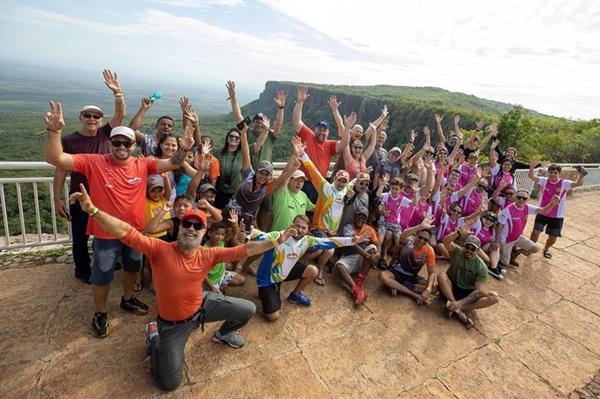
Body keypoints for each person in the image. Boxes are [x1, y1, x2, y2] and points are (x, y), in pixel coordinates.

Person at [69, 184, 284, 391]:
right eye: (187, 224)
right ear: (180, 227)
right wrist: (93, 210)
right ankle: (154, 336)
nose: (191, 229)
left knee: (248, 309)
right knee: (169, 383)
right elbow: (125, 231)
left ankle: (224, 334)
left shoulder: (209, 254)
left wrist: (276, 241)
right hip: (172, 324)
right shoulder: (159, 249)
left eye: (197, 226)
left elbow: (245, 249)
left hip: (202, 307)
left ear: (204, 232)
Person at [44, 101, 195, 338]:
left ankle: (127, 299)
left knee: (132, 267)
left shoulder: (142, 164)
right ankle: (101, 313)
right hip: (106, 233)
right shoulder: (94, 162)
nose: (121, 146)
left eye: (127, 142)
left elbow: (172, 163)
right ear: (110, 143)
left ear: (134, 145)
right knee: (102, 274)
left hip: (135, 233)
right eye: (117, 142)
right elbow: (57, 159)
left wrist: (184, 149)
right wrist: (54, 131)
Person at [53, 68, 125, 284]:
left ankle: (108, 262)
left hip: (105, 195)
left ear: (101, 120)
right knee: (80, 236)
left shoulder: (105, 134)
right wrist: (57, 197)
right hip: (79, 195)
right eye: (88, 115)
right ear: (81, 117)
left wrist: (118, 94)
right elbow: (60, 169)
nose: (92, 119)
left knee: (107, 231)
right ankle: (83, 270)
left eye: (96, 116)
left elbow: (120, 115)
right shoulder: (69, 140)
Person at [249, 215, 371, 321]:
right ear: (292, 225)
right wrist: (248, 230)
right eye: (297, 226)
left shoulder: (307, 240)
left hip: (285, 272)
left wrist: (353, 240)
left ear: (307, 230)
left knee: (313, 271)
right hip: (268, 279)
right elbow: (260, 235)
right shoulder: (279, 235)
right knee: (273, 317)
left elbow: (329, 241)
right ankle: (264, 292)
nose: (300, 230)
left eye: (303, 228)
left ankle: (295, 294)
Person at [299, 144, 356, 286]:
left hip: (333, 231)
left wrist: (361, 175)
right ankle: (318, 269)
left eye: (344, 181)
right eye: (339, 180)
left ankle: (303, 261)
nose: (342, 183)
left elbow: (353, 182)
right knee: (329, 250)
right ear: (334, 178)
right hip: (319, 227)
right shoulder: (325, 187)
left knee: (327, 249)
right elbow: (313, 171)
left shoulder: (345, 190)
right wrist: (302, 154)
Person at [292, 86, 351, 202]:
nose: (322, 132)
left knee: (313, 212)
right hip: (302, 182)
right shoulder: (308, 135)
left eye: (325, 130)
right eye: (319, 129)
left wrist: (347, 127)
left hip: (318, 184)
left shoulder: (329, 145)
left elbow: (344, 143)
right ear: (315, 129)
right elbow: (296, 121)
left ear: (328, 132)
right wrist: (300, 102)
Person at [437, 224, 500, 329]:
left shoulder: (481, 267)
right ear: (464, 246)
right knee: (441, 275)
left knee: (494, 297)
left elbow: (478, 289)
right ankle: (457, 308)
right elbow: (445, 242)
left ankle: (454, 306)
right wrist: (458, 233)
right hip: (450, 287)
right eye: (467, 247)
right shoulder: (458, 251)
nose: (469, 251)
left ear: (478, 251)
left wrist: (461, 302)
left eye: (473, 249)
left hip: (466, 295)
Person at [528, 161, 584, 259]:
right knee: (535, 232)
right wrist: (531, 167)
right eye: (551, 172)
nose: (553, 174)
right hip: (543, 212)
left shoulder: (564, 183)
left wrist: (581, 174)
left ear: (559, 174)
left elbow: (578, 183)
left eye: (555, 173)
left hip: (557, 216)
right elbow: (531, 177)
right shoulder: (544, 180)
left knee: (553, 238)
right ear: (548, 173)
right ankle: (530, 248)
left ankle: (546, 249)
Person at [226, 80, 286, 169]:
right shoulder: (247, 132)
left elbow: (278, 123)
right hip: (248, 174)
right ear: (253, 123)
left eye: (262, 122)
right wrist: (233, 97)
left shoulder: (270, 135)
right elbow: (238, 116)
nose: (259, 124)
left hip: (265, 174)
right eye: (257, 122)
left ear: (268, 122)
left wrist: (280, 108)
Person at [378, 218, 437, 304]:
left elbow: (432, 273)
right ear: (415, 235)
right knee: (382, 276)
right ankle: (412, 294)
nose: (422, 241)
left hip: (412, 276)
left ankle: (397, 285)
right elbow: (402, 236)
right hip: (397, 271)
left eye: (425, 240)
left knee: (434, 287)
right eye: (420, 237)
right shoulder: (409, 240)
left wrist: (428, 289)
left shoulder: (429, 250)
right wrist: (420, 226)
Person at [496, 189, 559, 267]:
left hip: (517, 238)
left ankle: (515, 253)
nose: (521, 199)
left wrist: (552, 204)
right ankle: (506, 255)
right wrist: (497, 241)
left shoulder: (526, 207)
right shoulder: (507, 210)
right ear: (515, 197)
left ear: (527, 199)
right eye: (519, 197)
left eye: (524, 198)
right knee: (504, 264)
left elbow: (544, 211)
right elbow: (499, 226)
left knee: (535, 248)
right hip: (506, 240)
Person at [129, 96, 201, 157]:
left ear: (172, 129)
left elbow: (196, 144)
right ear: (156, 126)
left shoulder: (176, 142)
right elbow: (131, 130)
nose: (166, 127)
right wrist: (143, 109)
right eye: (163, 124)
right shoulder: (147, 140)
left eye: (169, 126)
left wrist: (194, 123)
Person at [335, 207, 379, 305]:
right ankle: (356, 289)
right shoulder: (348, 227)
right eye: (359, 216)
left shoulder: (369, 229)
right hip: (350, 255)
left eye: (364, 217)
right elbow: (352, 244)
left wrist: (376, 257)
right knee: (339, 266)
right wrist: (368, 256)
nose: (361, 219)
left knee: (373, 248)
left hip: (363, 260)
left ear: (366, 220)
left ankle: (360, 279)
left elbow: (376, 244)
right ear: (354, 217)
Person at [215, 128, 243, 208]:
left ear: (240, 140)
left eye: (237, 137)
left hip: (236, 192)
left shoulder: (243, 154)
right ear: (227, 138)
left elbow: (258, 145)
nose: (233, 138)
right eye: (231, 136)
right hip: (220, 191)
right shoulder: (219, 153)